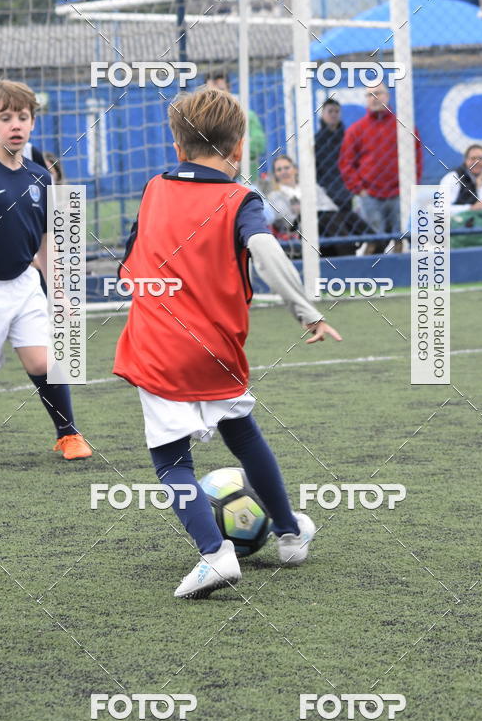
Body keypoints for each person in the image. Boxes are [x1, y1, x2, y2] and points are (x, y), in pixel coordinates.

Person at [113, 87, 341, 599]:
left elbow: (130, 260)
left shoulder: (153, 189)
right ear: (239, 150)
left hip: (156, 348)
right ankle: (288, 535)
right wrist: (308, 313)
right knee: (242, 432)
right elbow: (266, 252)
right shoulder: (241, 199)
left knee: (172, 460)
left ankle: (216, 556)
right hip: (215, 351)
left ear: (177, 148)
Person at [0, 79, 92, 461]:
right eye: (6, 117)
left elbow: (46, 238)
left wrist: (58, 292)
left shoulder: (41, 175)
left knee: (45, 360)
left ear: (32, 124)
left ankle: (69, 434)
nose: (15, 124)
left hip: (24, 283)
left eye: (23, 117)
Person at [339, 84, 423, 252]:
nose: (374, 98)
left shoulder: (404, 126)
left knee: (402, 238)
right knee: (374, 240)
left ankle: (400, 272)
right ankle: (370, 273)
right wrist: (359, 189)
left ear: (388, 96)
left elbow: (417, 157)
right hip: (369, 193)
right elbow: (345, 163)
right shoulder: (356, 130)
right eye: (369, 95)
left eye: (378, 93)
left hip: (400, 192)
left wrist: (411, 185)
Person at [266, 154, 369, 256]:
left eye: (286, 168)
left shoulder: (311, 187)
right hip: (300, 230)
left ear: (295, 170)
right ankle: (348, 253)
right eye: (279, 170)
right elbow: (288, 219)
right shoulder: (275, 196)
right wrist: (314, 212)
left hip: (326, 223)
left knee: (347, 214)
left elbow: (331, 207)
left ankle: (374, 240)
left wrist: (311, 211)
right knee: (326, 217)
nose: (283, 172)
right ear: (275, 175)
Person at [205, 71, 266, 180]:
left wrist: (231, 154)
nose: (217, 96)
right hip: (212, 179)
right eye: (212, 92)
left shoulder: (247, 115)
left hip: (246, 181)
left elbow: (260, 144)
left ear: (229, 89)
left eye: (221, 90)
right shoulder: (201, 120)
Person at [439, 144, 482, 217]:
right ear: (466, 160)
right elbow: (441, 209)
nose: (477, 162)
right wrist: (470, 208)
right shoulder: (453, 177)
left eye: (481, 158)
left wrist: (480, 186)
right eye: (473, 158)